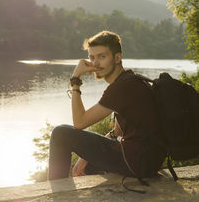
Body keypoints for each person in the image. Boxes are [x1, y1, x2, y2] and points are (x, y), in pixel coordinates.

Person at [48, 31, 165, 180]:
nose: (95, 63)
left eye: (102, 57)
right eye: (92, 57)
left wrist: (75, 79)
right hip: (148, 161)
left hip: (137, 162)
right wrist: (85, 158)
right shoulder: (132, 80)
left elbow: (79, 123)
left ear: (117, 58)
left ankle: (57, 196)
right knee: (88, 166)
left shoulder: (121, 87)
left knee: (61, 134)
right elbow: (117, 131)